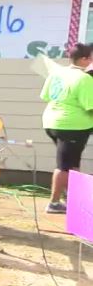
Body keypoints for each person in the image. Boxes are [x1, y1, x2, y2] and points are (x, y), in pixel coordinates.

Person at [40, 42, 93, 213]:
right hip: (72, 126)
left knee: (72, 162)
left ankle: (75, 200)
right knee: (64, 165)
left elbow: (46, 95)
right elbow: (90, 106)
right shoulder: (84, 79)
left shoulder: (57, 73)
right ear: (84, 59)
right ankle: (54, 203)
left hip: (51, 122)